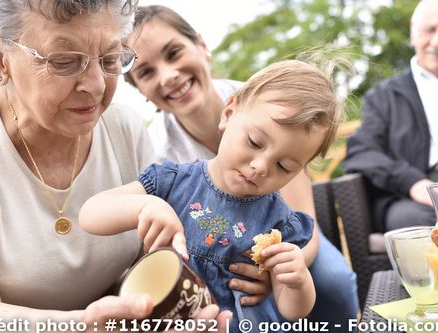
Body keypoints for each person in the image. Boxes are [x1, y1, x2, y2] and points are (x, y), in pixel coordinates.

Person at [0, 0, 231, 330]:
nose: (96, 86)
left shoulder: (125, 128)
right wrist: (85, 325)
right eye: (65, 62)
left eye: (110, 59)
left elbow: (148, 263)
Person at [122, 5, 359, 327]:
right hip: (216, 250)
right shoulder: (162, 154)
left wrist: (275, 273)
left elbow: (304, 223)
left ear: (201, 46)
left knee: (331, 280)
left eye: (174, 53)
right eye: (146, 72)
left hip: (275, 232)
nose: (168, 75)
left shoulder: (271, 107)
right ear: (142, 91)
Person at [80, 59, 343, 329]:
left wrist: (298, 281)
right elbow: (90, 214)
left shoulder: (279, 221)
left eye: (284, 166)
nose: (260, 166)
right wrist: (144, 207)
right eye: (254, 142)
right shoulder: (172, 182)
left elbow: (292, 311)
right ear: (228, 114)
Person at [343, 0, 438, 232]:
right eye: (430, 30)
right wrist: (412, 182)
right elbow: (361, 152)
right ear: (413, 32)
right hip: (416, 194)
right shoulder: (383, 96)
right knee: (411, 225)